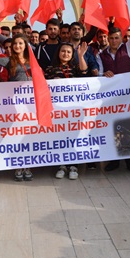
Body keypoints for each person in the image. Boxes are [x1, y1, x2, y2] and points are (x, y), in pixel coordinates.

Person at [98, 1, 130, 172]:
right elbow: (99, 75)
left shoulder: (129, 48)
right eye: (111, 38)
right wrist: (104, 75)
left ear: (121, 38)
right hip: (111, 99)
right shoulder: (102, 55)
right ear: (107, 39)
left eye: (117, 37)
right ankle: (114, 160)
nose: (114, 40)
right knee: (112, 128)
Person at [45, 42, 89, 180]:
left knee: (74, 136)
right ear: (59, 52)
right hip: (58, 111)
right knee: (60, 137)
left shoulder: (75, 67)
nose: (66, 54)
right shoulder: (50, 69)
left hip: (74, 110)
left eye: (69, 52)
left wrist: (81, 55)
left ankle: (73, 166)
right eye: (63, 51)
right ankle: (61, 165)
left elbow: (84, 73)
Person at [0, 34, 34, 181]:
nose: (17, 46)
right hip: (16, 104)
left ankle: (28, 166)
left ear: (26, 45)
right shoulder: (9, 60)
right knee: (17, 133)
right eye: (15, 44)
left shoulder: (32, 60)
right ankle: (18, 166)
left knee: (28, 134)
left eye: (20, 43)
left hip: (31, 103)